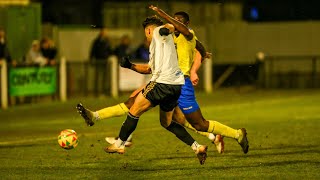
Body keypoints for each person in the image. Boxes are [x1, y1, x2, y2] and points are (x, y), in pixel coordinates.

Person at [78, 16, 208, 165]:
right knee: (166, 123)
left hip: (161, 84)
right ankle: (197, 147)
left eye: (145, 32)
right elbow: (149, 69)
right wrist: (130, 66)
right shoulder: (160, 45)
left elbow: (169, 28)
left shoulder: (159, 32)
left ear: (148, 30)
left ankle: (119, 143)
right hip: (175, 87)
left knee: (134, 110)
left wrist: (168, 25)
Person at [89, 28, 113, 96]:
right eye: (104, 32)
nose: (105, 33)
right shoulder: (96, 41)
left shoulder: (107, 41)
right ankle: (97, 92)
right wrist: (91, 59)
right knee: (98, 77)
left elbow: (110, 50)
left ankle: (103, 91)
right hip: (98, 61)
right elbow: (92, 51)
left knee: (105, 77)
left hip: (105, 61)